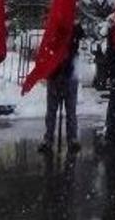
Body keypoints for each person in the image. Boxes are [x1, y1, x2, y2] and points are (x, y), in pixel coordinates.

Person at [39, 23, 84, 153]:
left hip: (68, 74)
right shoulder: (54, 29)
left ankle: (72, 139)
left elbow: (80, 35)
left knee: (70, 110)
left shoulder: (74, 30)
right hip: (55, 75)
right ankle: (49, 139)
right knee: (52, 111)